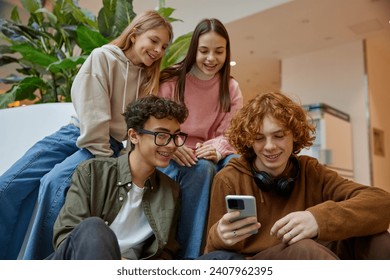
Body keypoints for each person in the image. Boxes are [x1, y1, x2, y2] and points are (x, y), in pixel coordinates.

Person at [0, 10, 173, 260]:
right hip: (77, 134)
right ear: (135, 35)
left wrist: (113, 163)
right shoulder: (103, 57)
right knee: (7, 186)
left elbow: (132, 133)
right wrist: (104, 160)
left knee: (55, 185)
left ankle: (40, 265)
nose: (158, 50)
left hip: (108, 145)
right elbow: (94, 115)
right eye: (154, 40)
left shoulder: (148, 80)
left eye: (164, 46)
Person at [201, 91, 390, 260]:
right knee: (304, 249)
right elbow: (213, 255)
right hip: (260, 265)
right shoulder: (229, 178)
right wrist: (219, 236)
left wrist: (317, 219)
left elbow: (381, 202)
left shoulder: (310, 170)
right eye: (259, 138)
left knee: (377, 239)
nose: (269, 146)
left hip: (315, 254)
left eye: (279, 136)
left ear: (294, 135)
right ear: (249, 142)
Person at [46, 95, 188, 260]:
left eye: (175, 136)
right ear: (134, 136)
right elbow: (66, 236)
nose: (171, 145)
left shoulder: (171, 191)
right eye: (161, 136)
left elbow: (166, 252)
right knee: (93, 228)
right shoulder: (92, 172)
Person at [158, 18, 243, 259]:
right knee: (202, 169)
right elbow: (158, 124)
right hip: (174, 152)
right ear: (194, 48)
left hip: (210, 151)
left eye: (219, 51)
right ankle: (192, 258)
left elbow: (231, 133)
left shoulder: (231, 87)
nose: (211, 59)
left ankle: (237, 241)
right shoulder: (172, 81)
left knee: (236, 163)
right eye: (204, 51)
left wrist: (217, 149)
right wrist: (173, 144)